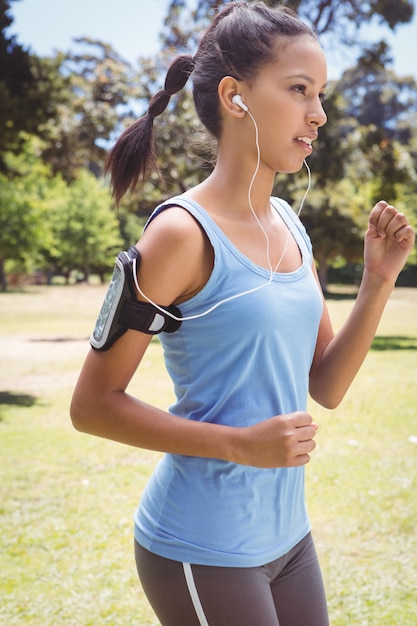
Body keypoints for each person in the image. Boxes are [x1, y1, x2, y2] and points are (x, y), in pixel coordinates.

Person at [70, 2, 415, 625]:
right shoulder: (179, 234)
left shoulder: (290, 224)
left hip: (288, 538)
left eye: (322, 93)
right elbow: (92, 406)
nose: (320, 112)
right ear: (236, 97)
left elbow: (326, 386)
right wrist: (239, 445)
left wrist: (378, 282)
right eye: (299, 89)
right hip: (201, 544)